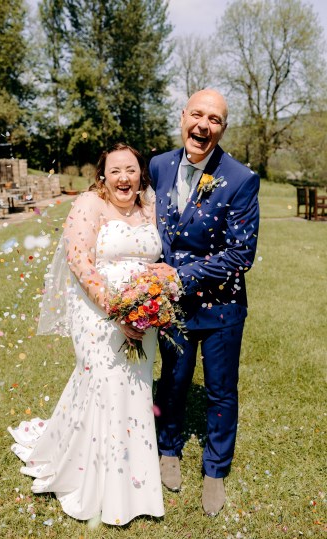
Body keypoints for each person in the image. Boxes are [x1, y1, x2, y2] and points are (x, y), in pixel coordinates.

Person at [8, 143, 165, 525]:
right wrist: (117, 311)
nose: (124, 178)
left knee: (135, 388)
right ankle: (95, 481)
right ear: (102, 176)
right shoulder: (89, 205)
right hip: (98, 314)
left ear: (140, 173)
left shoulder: (149, 205)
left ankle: (134, 480)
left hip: (143, 317)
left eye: (131, 170)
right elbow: (79, 261)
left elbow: (155, 259)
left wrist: (154, 298)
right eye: (116, 171)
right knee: (105, 386)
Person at [148, 88, 260, 516]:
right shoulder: (158, 166)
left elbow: (239, 256)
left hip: (221, 309)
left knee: (219, 391)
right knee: (172, 382)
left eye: (214, 120)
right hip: (170, 308)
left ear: (222, 129)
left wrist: (177, 277)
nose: (203, 125)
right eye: (197, 115)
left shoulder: (240, 178)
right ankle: (168, 448)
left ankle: (215, 471)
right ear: (182, 117)